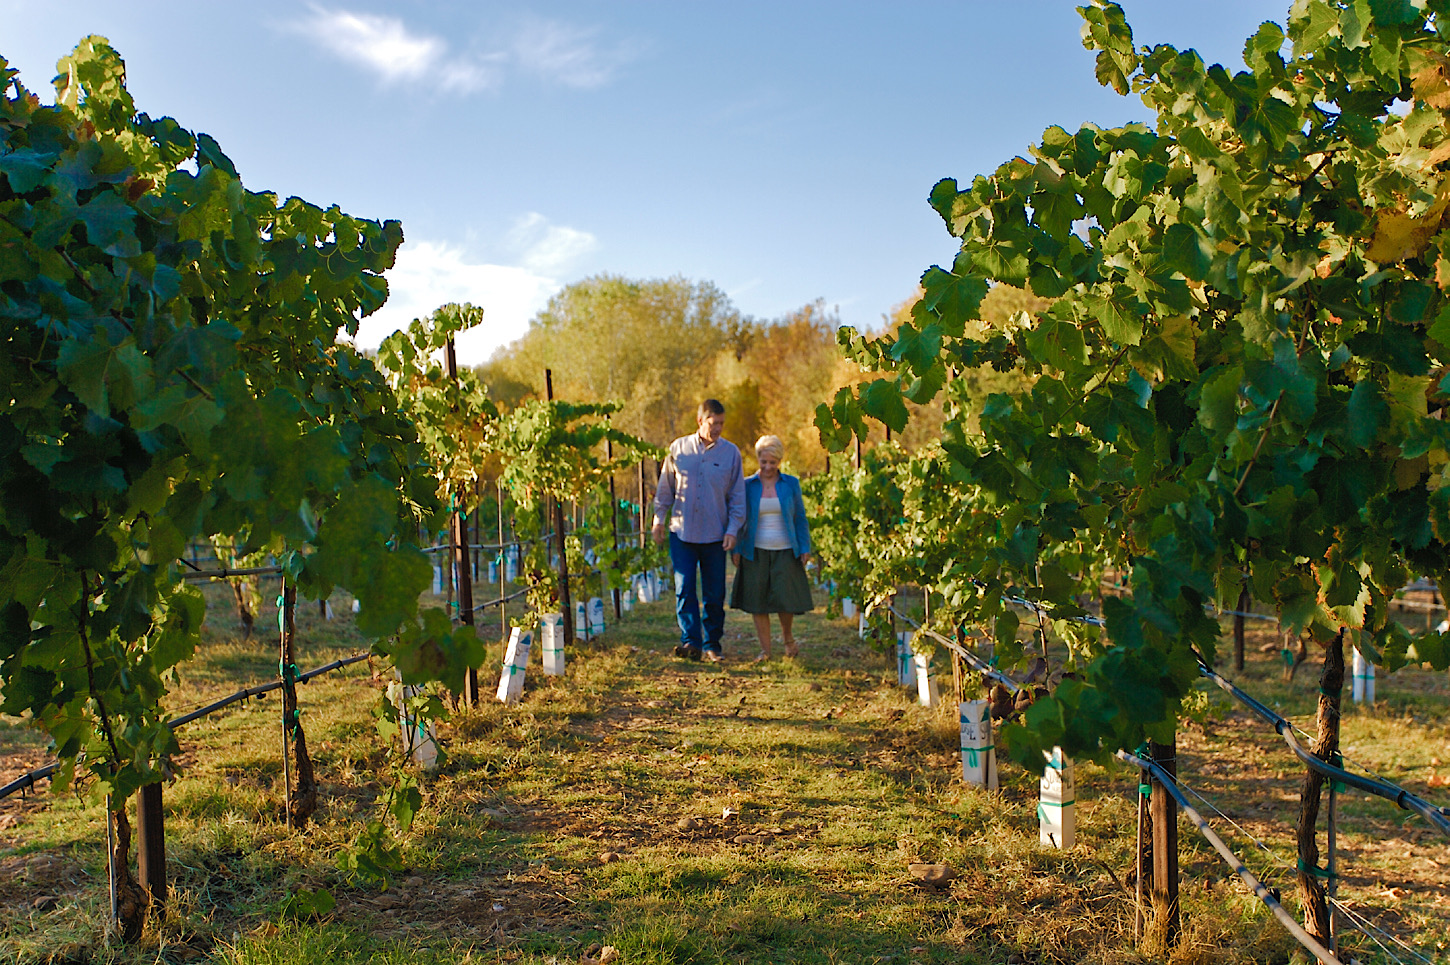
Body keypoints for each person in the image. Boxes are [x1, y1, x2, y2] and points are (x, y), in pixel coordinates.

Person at [652, 399, 745, 662]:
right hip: (682, 532)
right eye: (713, 423)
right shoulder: (678, 449)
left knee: (715, 592)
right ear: (700, 421)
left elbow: (737, 497)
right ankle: (690, 641)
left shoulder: (731, 454)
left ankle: (712, 644)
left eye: (721, 424)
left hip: (716, 535)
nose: (717, 429)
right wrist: (658, 519)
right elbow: (665, 489)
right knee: (684, 587)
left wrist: (733, 530)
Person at [730, 434, 813, 660]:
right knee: (758, 603)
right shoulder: (747, 485)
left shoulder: (790, 484)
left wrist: (805, 546)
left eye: (772, 462)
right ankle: (765, 651)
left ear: (779, 461)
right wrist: (735, 548)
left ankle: (788, 638)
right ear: (758, 459)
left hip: (786, 549)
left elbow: (800, 518)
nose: (768, 467)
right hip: (754, 550)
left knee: (785, 600)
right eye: (764, 461)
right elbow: (738, 518)